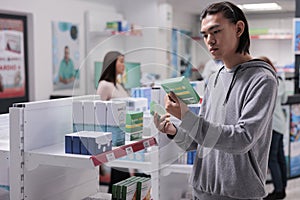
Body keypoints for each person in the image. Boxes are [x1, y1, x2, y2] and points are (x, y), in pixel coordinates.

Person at [154, 2, 278, 200]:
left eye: (216, 31)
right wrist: (173, 131)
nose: (209, 40)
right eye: (204, 35)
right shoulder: (214, 79)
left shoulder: (262, 80)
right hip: (201, 190)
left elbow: (242, 139)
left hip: (238, 194)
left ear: (238, 29)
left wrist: (186, 116)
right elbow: (200, 141)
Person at [96, 51, 131, 194]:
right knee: (120, 179)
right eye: (121, 61)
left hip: (122, 138)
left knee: (123, 180)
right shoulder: (105, 85)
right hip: (112, 139)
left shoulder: (118, 85)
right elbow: (98, 114)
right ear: (112, 64)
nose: (123, 65)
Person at [259, 56, 287, 200]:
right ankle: (282, 188)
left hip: (272, 125)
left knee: (272, 159)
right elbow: (284, 100)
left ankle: (278, 190)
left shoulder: (266, 82)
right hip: (280, 123)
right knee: (280, 157)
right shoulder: (279, 81)